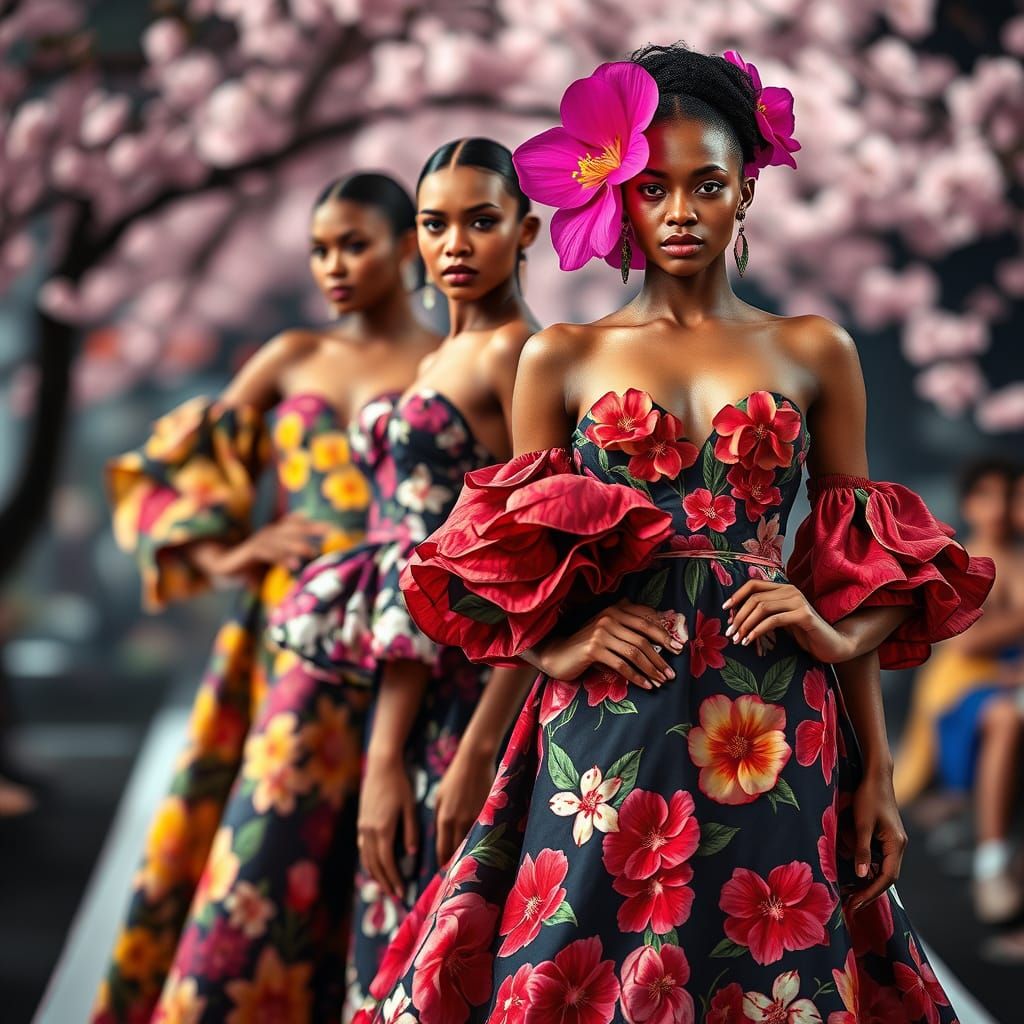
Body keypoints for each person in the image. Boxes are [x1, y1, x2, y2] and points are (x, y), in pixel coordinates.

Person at [357, 46, 995, 1023]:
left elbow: (854, 564)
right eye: (653, 187)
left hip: (778, 715)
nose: (682, 211)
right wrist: (560, 641)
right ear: (618, 195)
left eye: (708, 185)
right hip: (607, 716)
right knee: (580, 968)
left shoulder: (815, 347)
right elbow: (509, 561)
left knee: (769, 972)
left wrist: (875, 761)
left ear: (748, 191)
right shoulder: (557, 357)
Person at [92, 173, 439, 1024]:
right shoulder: (289, 356)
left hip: (409, 629)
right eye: (320, 249)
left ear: (406, 248)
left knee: (391, 846)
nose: (332, 265)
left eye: (354, 245)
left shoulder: (448, 358)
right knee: (270, 827)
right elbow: (180, 462)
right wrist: (229, 551)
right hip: (292, 633)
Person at [268, 139, 540, 1015]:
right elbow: (402, 577)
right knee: (395, 940)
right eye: (434, 224)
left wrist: (471, 758)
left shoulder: (517, 358)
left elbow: (539, 576)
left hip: (475, 702)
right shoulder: (435, 362)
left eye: (481, 222)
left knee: (446, 952)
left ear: (526, 230)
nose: (455, 244)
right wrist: (384, 755)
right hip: (410, 693)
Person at [896, 459, 1024, 923]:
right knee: (1006, 716)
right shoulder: (966, 561)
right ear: (969, 504)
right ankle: (990, 862)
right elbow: (965, 638)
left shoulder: (1019, 557)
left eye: (1012, 497)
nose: (1003, 508)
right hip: (966, 692)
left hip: (1009, 683)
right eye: (990, 496)